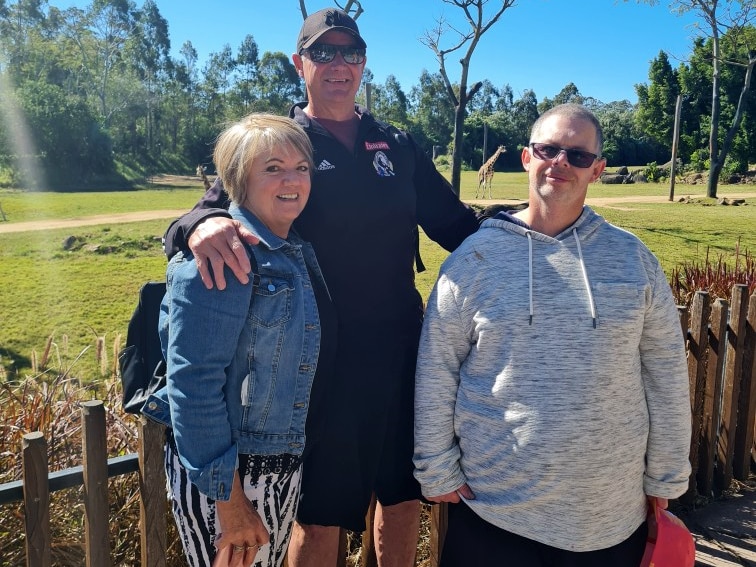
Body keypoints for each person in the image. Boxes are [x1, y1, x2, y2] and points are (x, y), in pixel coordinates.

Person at [162, 8, 480, 567]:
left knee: (403, 495)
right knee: (319, 514)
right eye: (323, 52)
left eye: (350, 52)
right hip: (314, 361)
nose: (338, 64)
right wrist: (197, 225)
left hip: (401, 349)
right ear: (299, 63)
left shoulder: (396, 144)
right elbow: (197, 217)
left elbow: (458, 227)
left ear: (363, 63)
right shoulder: (282, 143)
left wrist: (528, 229)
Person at [413, 103, 692, 566]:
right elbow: (437, 368)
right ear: (527, 157)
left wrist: (666, 474)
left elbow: (664, 372)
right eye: (549, 149)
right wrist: (436, 466)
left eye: (578, 155)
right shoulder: (473, 260)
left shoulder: (633, 260)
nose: (561, 162)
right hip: (494, 511)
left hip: (608, 516)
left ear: (597, 170)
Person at [142, 113, 330, 567]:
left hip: (276, 466)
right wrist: (229, 502)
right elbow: (194, 386)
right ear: (238, 179)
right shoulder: (223, 257)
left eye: (301, 168)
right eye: (273, 168)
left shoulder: (289, 250)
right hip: (232, 479)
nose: (292, 180)